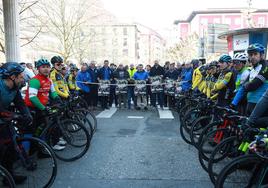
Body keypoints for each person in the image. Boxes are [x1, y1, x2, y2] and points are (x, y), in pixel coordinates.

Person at [0, 62, 32, 184]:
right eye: (21, 76)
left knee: (10, 148)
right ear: (12, 77)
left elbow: (20, 103)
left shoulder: (15, 87)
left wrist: (27, 114)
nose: (23, 78)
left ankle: (9, 176)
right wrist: (15, 115)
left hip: (4, 119)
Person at [24, 58, 65, 151]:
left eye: (47, 67)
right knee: (33, 130)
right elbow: (32, 97)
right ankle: (28, 152)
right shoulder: (35, 80)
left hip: (41, 108)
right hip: (31, 108)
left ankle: (42, 147)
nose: (46, 69)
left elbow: (53, 93)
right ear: (38, 69)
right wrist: (43, 108)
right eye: (43, 67)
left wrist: (59, 101)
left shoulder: (49, 80)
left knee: (43, 128)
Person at [231, 43, 268, 115]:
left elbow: (254, 85)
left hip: (262, 105)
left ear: (262, 55)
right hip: (250, 103)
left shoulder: (266, 66)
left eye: (255, 54)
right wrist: (233, 103)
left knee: (255, 123)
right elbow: (243, 88)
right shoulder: (252, 70)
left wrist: (246, 86)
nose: (253, 57)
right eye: (250, 55)